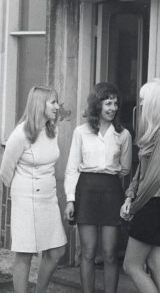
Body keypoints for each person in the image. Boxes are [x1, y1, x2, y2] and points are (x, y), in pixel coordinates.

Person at [63, 82, 132, 293]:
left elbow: (125, 169)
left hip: (111, 191)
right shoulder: (81, 132)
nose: (113, 108)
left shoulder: (123, 135)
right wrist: (70, 199)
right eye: (108, 103)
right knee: (88, 252)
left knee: (110, 253)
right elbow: (72, 168)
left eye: (115, 103)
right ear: (97, 104)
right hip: (86, 191)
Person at [0, 86, 68, 293]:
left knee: (57, 250)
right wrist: (22, 193)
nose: (57, 106)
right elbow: (5, 172)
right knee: (24, 254)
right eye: (53, 102)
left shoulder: (51, 130)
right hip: (26, 201)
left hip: (48, 200)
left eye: (57, 102)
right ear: (40, 105)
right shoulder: (20, 134)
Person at [120, 78, 160, 293]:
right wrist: (130, 195)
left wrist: (135, 207)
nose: (142, 104)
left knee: (131, 266)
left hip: (155, 204)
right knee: (154, 263)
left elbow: (154, 178)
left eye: (145, 99)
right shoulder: (159, 130)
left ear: (156, 101)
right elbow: (143, 170)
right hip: (158, 202)